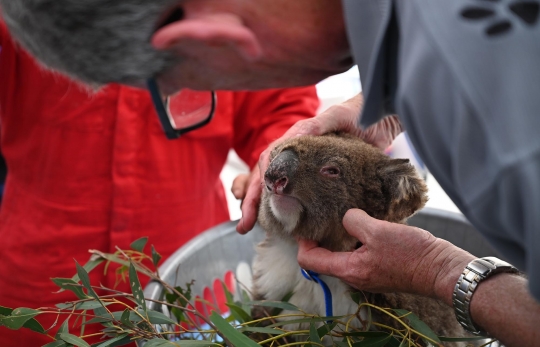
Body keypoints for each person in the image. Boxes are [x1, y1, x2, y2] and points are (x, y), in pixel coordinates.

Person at [1, 0, 539, 345]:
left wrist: (442, 274)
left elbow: (279, 116)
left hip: (178, 246)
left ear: (213, 36)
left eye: (181, 86)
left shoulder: (499, 135)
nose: (176, 99)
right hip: (38, 280)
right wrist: (393, 92)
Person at [0, 17, 320, 345]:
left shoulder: (229, 10)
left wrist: (276, 157)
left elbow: (281, 107)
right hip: (42, 292)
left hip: (187, 287)